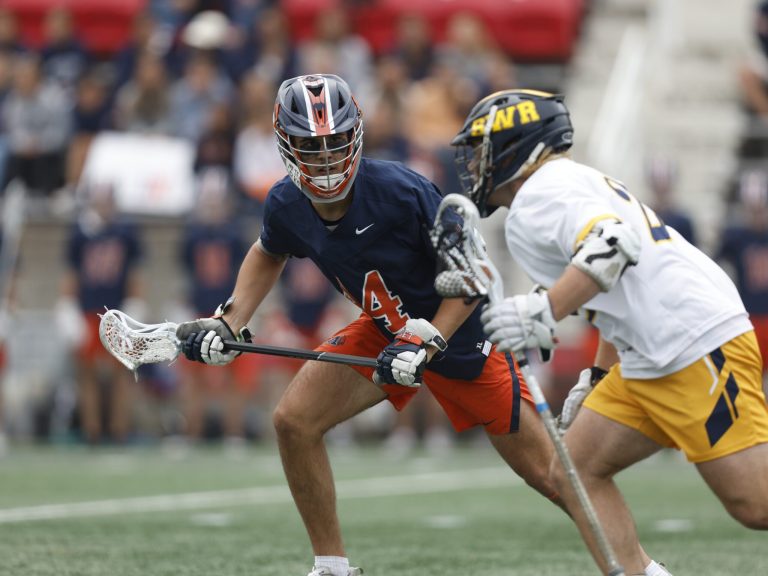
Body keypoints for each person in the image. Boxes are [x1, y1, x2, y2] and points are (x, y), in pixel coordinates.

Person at [174, 74, 592, 576]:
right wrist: (231, 319)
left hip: (459, 335)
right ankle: (331, 566)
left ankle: (641, 567)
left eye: (334, 144)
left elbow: (474, 275)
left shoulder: (402, 190)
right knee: (294, 421)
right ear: (286, 146)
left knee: (552, 476)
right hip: (386, 330)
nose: (326, 159)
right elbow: (269, 250)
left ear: (357, 137)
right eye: (311, 146)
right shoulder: (286, 202)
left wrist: (427, 339)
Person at [450, 89, 768, 575]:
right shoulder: (561, 185)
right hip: (651, 354)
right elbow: (611, 297)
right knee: (574, 471)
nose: (473, 166)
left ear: (515, 146)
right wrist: (597, 379)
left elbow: (614, 245)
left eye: (481, 151)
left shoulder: (540, 195)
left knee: (756, 505)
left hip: (693, 342)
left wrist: (543, 310)